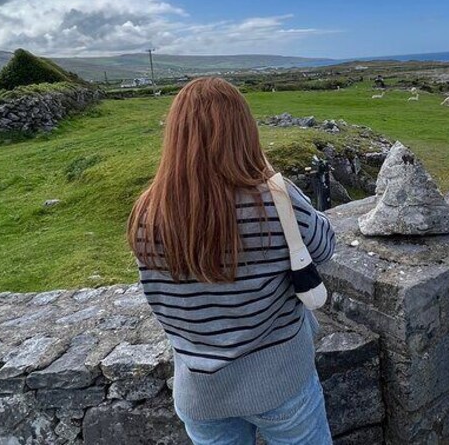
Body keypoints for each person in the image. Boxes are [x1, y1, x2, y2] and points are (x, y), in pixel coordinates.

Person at [127, 77, 336, 445]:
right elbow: (323, 246)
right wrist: (270, 178)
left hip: (200, 392)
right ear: (244, 130)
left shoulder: (147, 211)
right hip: (280, 384)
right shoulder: (274, 198)